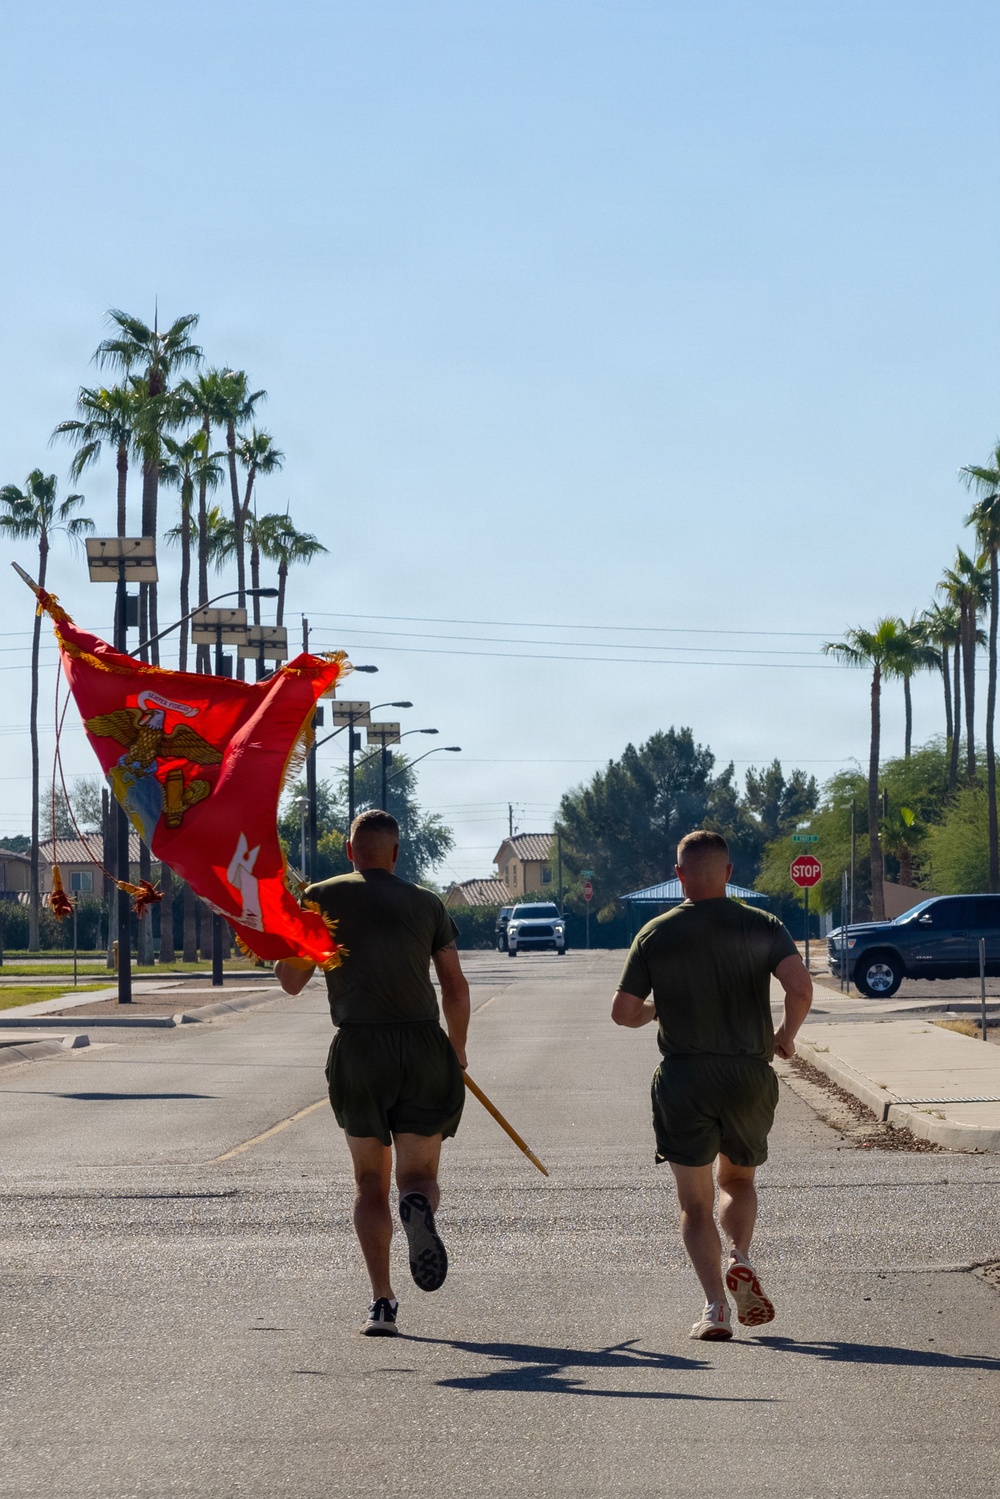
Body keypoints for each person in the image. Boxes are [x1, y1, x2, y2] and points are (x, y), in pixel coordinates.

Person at [611, 829, 812, 1341]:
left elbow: (624, 1013)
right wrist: (785, 1036)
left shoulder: (655, 933)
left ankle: (716, 1308)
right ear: (728, 873)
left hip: (685, 1078)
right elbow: (800, 987)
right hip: (748, 1074)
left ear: (678, 875)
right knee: (738, 1181)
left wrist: (661, 1007)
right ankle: (740, 1256)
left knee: (694, 1202)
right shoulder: (764, 924)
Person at [276, 808, 470, 1338]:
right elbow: (454, 987)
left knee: (368, 1184)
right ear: (398, 852)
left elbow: (291, 981)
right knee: (419, 1177)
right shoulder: (427, 903)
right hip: (422, 1044)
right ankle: (417, 1206)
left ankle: (382, 1302)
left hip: (359, 1048)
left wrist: (285, 935)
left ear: (349, 851)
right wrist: (456, 1050)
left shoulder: (320, 897)